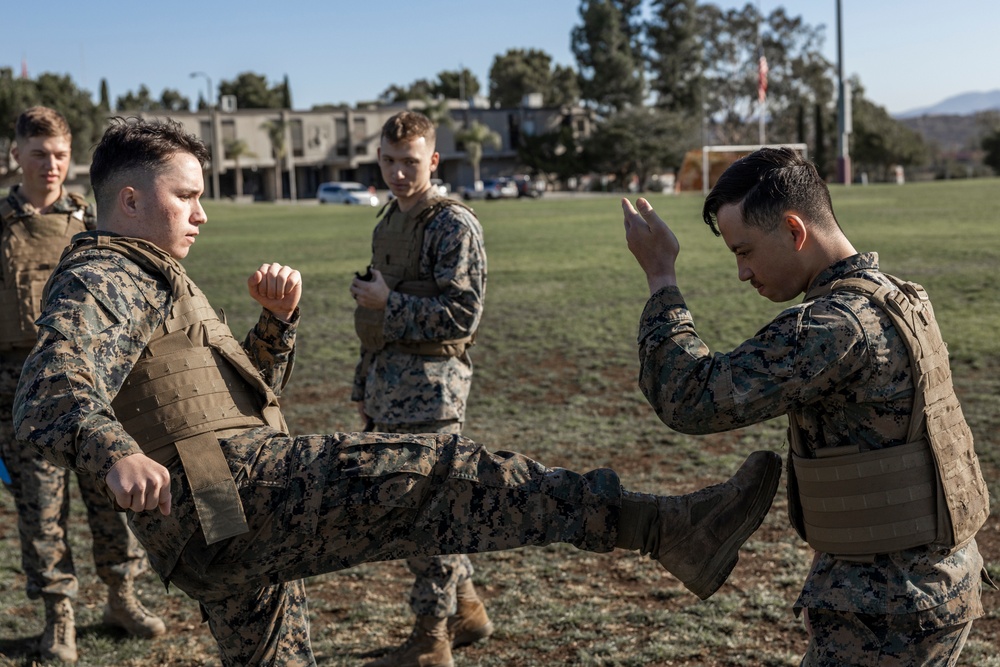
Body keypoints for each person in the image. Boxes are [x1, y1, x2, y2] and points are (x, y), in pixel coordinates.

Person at [14, 117, 783, 667]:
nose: (204, 212)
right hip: (227, 492)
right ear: (130, 202)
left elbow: (221, 402)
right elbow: (49, 390)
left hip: (220, 506)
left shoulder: (152, 275)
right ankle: (663, 526)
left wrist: (275, 328)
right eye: (187, 196)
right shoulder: (105, 271)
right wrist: (113, 450)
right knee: (434, 476)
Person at [620, 147, 993, 666]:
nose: (742, 273)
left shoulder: (835, 325)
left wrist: (661, 278)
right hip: (930, 587)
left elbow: (690, 399)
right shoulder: (896, 294)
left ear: (796, 231)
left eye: (744, 251)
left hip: (886, 609)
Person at [0, 106, 165, 663]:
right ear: (16, 154)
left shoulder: (87, 225)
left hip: (99, 387)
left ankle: (122, 596)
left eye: (61, 155)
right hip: (21, 393)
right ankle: (59, 618)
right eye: (39, 153)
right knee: (41, 511)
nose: (51, 165)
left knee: (112, 497)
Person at [350, 110, 489, 667]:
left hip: (433, 391)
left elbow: (463, 314)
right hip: (388, 386)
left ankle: (432, 640)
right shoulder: (388, 220)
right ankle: (467, 610)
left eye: (410, 162)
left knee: (424, 514)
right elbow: (372, 310)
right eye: (388, 161)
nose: (398, 173)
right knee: (417, 508)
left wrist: (391, 303)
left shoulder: (452, 225)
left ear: (432, 160)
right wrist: (363, 384)